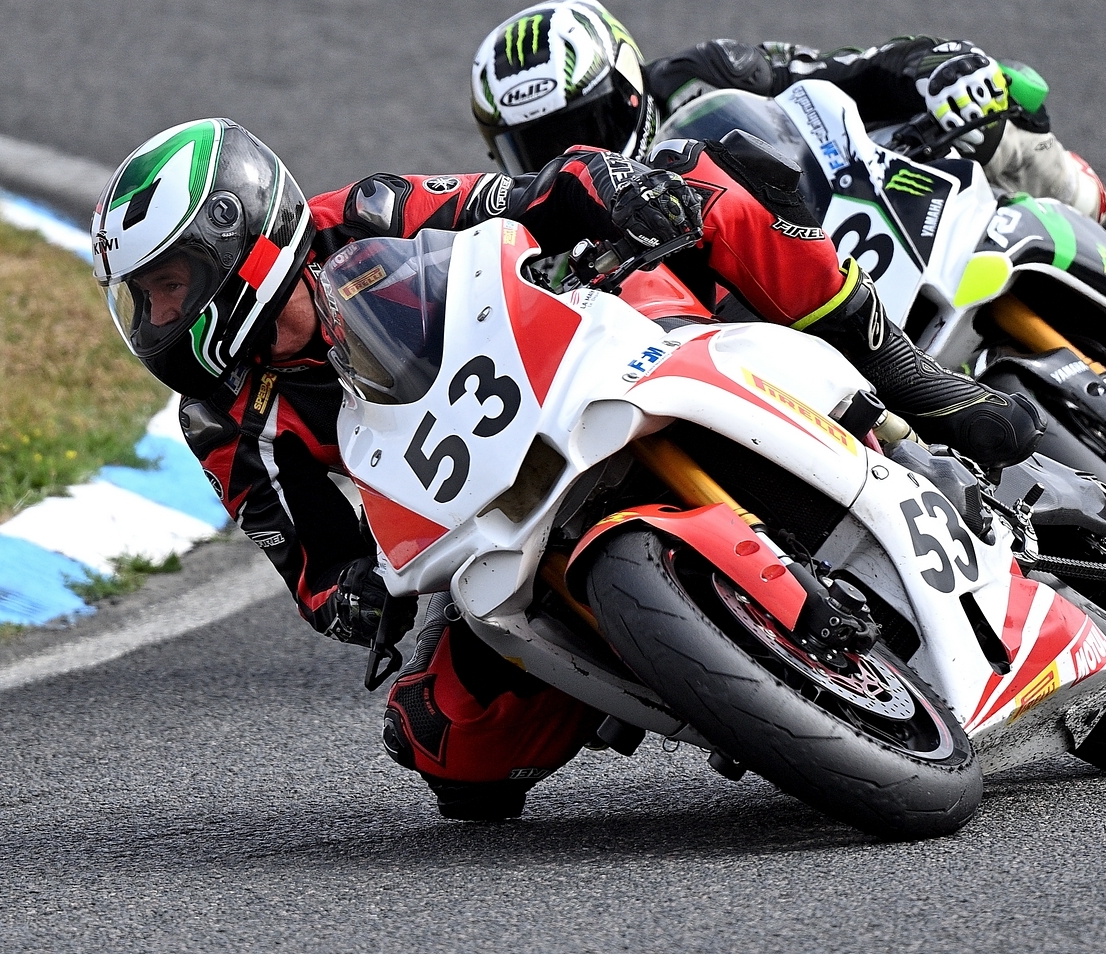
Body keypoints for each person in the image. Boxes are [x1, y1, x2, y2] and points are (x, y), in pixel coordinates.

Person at [90, 118, 1039, 820]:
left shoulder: (368, 216)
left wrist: (611, 191)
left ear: (238, 244)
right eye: (144, 300)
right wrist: (359, 600)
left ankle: (908, 381)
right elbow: (311, 565)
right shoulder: (221, 418)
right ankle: (689, 664)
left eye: (169, 287)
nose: (159, 319)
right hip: (492, 505)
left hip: (591, 349)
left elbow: (521, 196)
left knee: (701, 180)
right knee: (446, 750)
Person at [469, 0, 1106, 310]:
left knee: (999, 114)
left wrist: (933, 68)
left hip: (849, 213)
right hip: (773, 327)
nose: (574, 148)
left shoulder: (705, 73)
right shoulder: (552, 227)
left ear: (632, 86)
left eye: (591, 118)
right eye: (536, 144)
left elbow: (852, 69)